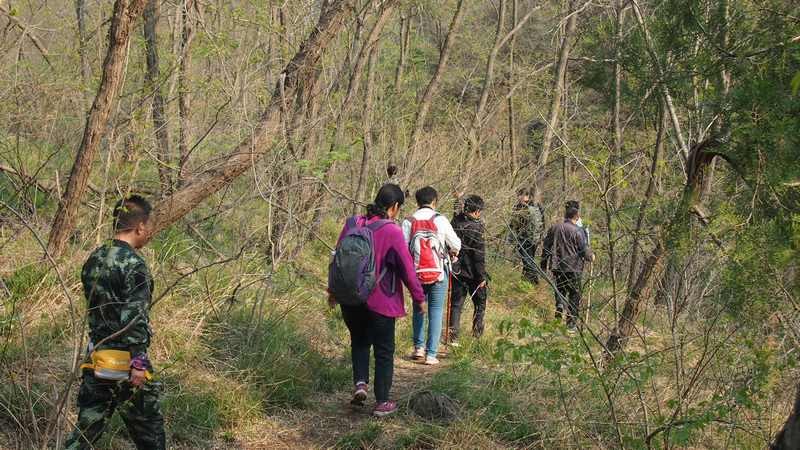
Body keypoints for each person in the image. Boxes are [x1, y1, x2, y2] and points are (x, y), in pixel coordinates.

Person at [65, 195, 166, 450]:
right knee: (150, 435)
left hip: (97, 358)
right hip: (126, 364)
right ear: (140, 227)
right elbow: (134, 319)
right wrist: (139, 364)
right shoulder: (135, 265)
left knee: (85, 435)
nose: (149, 233)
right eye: (149, 227)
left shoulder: (94, 259)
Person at [330, 184, 426, 417]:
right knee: (384, 350)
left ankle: (360, 384)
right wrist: (418, 298)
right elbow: (406, 268)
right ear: (394, 207)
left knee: (359, 342)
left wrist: (333, 292)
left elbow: (338, 259)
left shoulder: (352, 224)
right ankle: (382, 401)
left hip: (350, 299)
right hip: (381, 302)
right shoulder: (391, 231)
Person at [402, 186, 461, 365]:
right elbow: (456, 244)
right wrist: (453, 252)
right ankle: (431, 354)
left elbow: (403, 249)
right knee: (435, 311)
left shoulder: (408, 221)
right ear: (434, 201)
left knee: (419, 309)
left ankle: (418, 348)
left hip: (416, 273)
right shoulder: (441, 220)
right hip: (438, 273)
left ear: (417, 202)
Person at [541, 205, 595, 331]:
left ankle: (559, 307)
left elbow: (546, 247)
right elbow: (583, 250)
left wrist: (543, 264)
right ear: (576, 217)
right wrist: (591, 256)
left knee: (560, 289)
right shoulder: (578, 231)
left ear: (565, 216)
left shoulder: (554, 228)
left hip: (557, 266)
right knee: (574, 295)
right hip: (573, 268)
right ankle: (571, 324)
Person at [448, 195, 489, 344]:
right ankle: (477, 337)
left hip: (457, 270)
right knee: (480, 303)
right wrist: (482, 277)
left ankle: (453, 338)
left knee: (456, 304)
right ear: (477, 211)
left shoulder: (455, 222)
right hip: (473, 273)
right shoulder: (477, 228)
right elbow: (479, 256)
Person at [509, 188, 545, 284]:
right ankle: (526, 281)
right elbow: (543, 222)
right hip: (535, 239)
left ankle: (534, 281)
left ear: (527, 196)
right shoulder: (538, 206)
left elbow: (513, 224)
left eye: (520, 195)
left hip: (524, 238)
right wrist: (540, 237)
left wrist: (512, 238)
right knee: (529, 260)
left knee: (527, 261)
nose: (519, 197)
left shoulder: (520, 207)